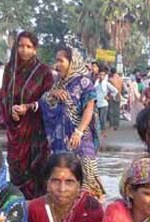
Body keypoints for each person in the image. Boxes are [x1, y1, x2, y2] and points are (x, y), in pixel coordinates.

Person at [40, 46, 105, 198]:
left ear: (72, 62)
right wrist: (53, 94)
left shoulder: (84, 82)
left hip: (80, 137)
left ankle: (90, 209)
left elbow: (89, 108)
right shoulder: (58, 84)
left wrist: (79, 131)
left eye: (61, 61)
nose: (57, 65)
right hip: (60, 140)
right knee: (62, 177)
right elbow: (45, 102)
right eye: (56, 61)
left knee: (86, 174)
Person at [0, 31, 55, 200]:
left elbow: (49, 99)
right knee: (16, 169)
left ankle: (37, 208)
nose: (24, 50)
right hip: (15, 130)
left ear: (35, 49)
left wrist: (29, 107)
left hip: (36, 131)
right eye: (21, 46)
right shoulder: (10, 69)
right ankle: (17, 206)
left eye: (28, 47)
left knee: (37, 169)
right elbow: (4, 95)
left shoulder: (43, 72)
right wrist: (12, 111)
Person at [94, 70, 117, 135]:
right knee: (97, 119)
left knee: (102, 119)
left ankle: (103, 131)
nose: (101, 76)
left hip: (104, 103)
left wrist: (109, 96)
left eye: (102, 75)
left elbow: (115, 91)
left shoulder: (106, 83)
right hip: (97, 103)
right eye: (100, 74)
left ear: (104, 76)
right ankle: (99, 132)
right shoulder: (96, 83)